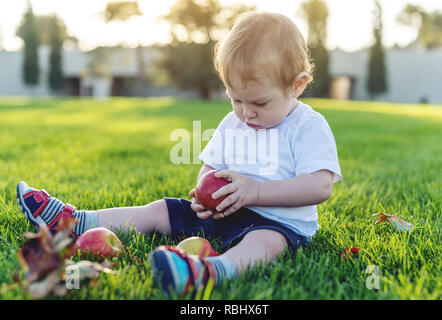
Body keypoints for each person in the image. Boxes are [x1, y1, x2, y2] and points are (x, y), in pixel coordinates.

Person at [16, 11, 341, 297]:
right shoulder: (234, 122)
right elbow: (211, 166)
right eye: (236, 100)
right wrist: (203, 193)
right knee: (161, 210)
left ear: (297, 85)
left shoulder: (307, 126)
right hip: (225, 214)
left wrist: (257, 191)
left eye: (259, 103)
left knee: (266, 243)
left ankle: (208, 272)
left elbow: (319, 186)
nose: (246, 113)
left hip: (279, 224)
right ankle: (73, 222)